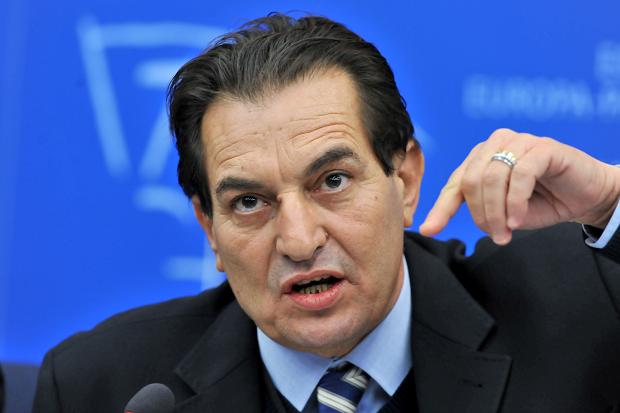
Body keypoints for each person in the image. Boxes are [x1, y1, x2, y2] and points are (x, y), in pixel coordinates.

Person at [33, 13, 620, 413]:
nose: (298, 240)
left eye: (332, 181)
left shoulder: (582, 307)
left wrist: (609, 198)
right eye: (249, 202)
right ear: (209, 227)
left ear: (405, 180)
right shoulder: (100, 386)